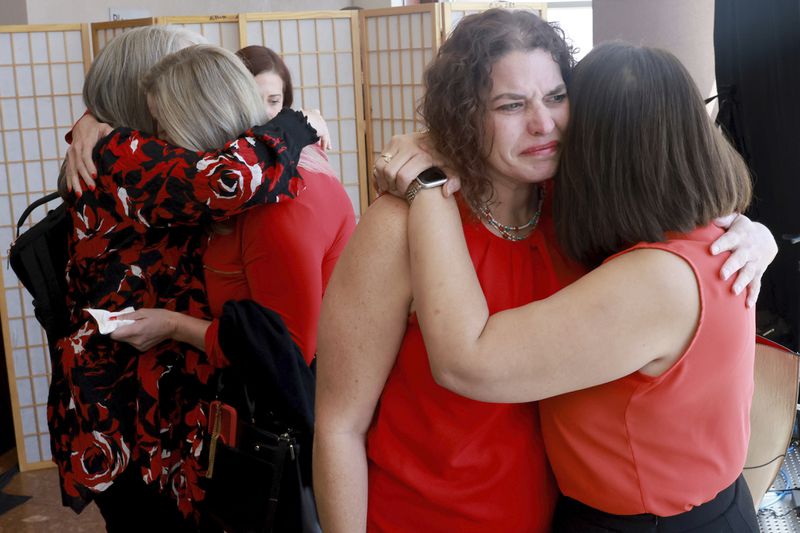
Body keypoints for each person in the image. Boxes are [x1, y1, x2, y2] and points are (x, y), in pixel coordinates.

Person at [315, 9, 775, 533]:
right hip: (427, 516)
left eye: (556, 98)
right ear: (464, 115)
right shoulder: (405, 226)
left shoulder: (582, 209)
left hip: (564, 515)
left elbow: (687, 242)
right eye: (511, 105)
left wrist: (751, 234)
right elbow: (339, 425)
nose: (543, 124)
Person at [51, 27, 316, 531]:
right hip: (127, 399)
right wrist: (295, 125)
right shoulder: (121, 153)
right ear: (144, 90)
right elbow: (229, 182)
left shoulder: (122, 144)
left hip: (148, 381)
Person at [112, 43, 355, 368]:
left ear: (201, 122)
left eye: (166, 127)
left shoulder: (277, 202)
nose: (162, 142)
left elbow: (288, 352)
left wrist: (174, 326)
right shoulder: (249, 187)